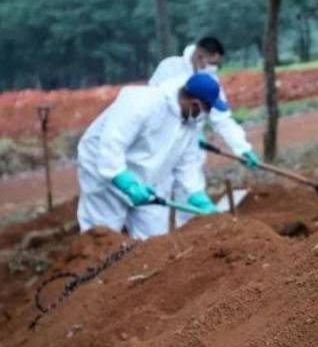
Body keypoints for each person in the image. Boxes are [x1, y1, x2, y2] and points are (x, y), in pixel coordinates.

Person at [76, 73, 224, 240]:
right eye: (208, 109)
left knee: (154, 240)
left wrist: (197, 195)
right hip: (106, 172)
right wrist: (125, 182)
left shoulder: (190, 124)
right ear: (195, 103)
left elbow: (186, 163)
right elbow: (112, 142)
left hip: (147, 180)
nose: (208, 114)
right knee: (103, 234)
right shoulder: (144, 102)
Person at [149, 36, 260, 227]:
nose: (215, 68)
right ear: (200, 56)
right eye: (213, 63)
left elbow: (222, 118)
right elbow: (154, 105)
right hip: (163, 144)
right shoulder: (170, 68)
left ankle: (189, 236)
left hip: (190, 146)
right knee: (158, 200)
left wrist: (242, 148)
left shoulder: (210, 80)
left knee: (191, 195)